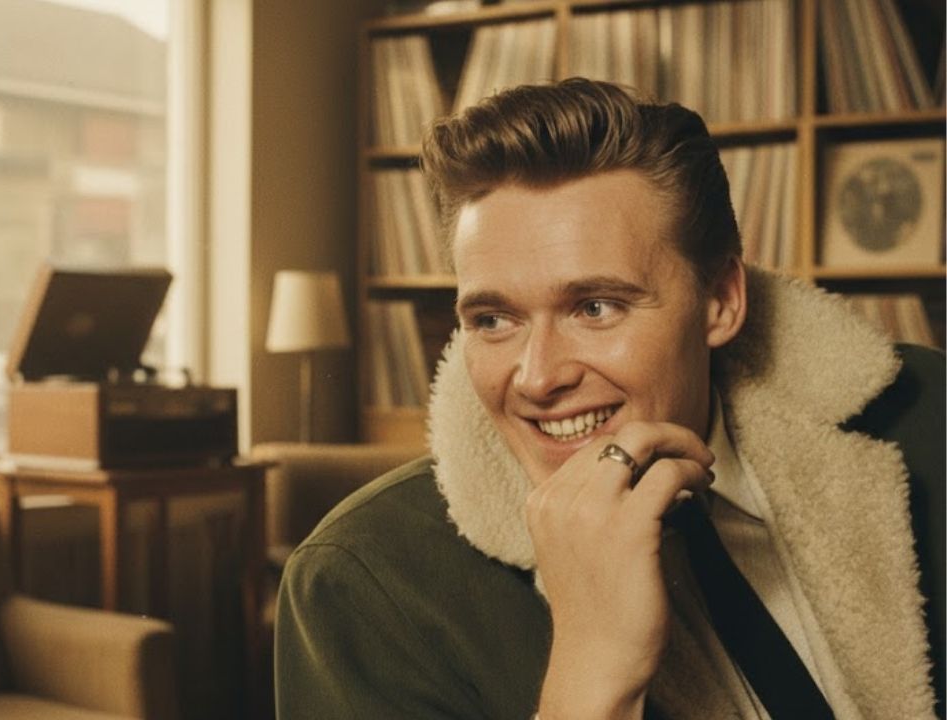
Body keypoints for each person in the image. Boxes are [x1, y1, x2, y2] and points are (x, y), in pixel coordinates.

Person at [274, 78, 945, 719]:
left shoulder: (929, 417)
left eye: (594, 307)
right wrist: (591, 680)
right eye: (493, 320)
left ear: (720, 300)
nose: (537, 379)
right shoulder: (358, 585)